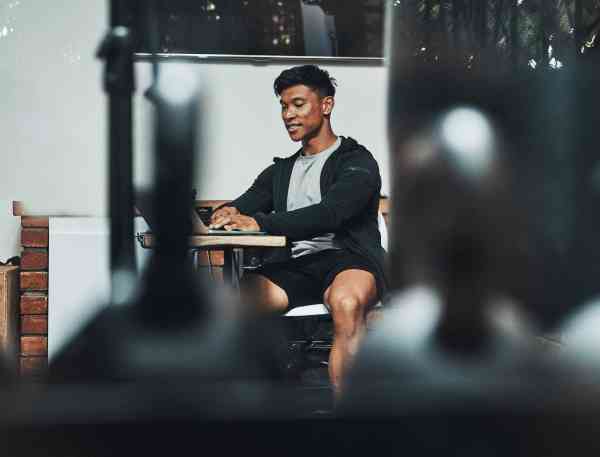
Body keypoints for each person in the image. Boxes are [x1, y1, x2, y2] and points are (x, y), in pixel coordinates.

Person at [209, 64, 388, 393]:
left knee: (347, 302)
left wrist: (260, 222)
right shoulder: (279, 171)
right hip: (296, 266)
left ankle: (352, 422)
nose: (288, 114)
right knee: (231, 305)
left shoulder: (357, 162)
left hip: (349, 259)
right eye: (283, 105)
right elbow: (244, 203)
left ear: (326, 105)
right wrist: (226, 214)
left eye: (298, 104)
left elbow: (330, 213)